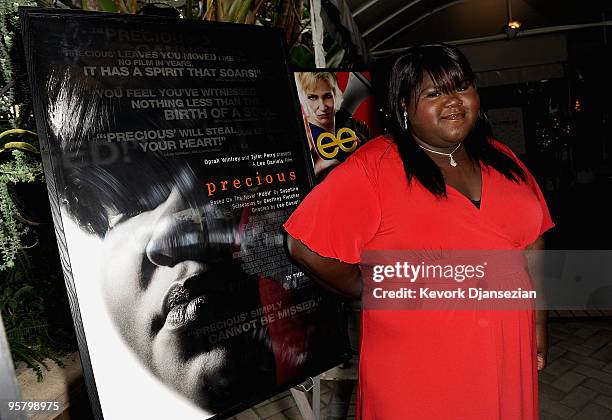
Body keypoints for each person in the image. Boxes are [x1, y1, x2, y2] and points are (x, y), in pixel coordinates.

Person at [285, 43, 553, 419]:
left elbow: (532, 238)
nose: (454, 101)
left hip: (507, 343)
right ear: (404, 106)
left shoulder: (500, 156)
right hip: (422, 362)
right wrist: (364, 285)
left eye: (461, 86)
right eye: (433, 92)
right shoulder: (375, 166)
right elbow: (304, 245)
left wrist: (538, 321)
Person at [295, 72, 371, 178]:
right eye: (312, 97)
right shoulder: (306, 140)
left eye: (327, 96)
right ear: (303, 99)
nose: (322, 107)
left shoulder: (347, 130)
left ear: (336, 95)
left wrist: (365, 149)